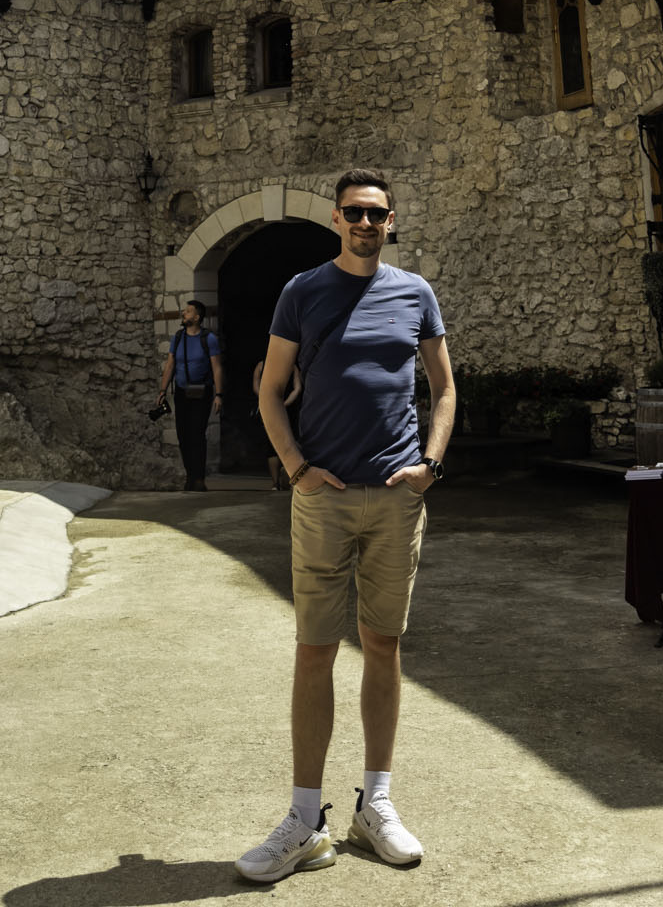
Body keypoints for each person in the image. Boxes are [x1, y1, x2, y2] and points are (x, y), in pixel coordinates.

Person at [235, 168, 456, 884]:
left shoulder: (415, 293)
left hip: (396, 497)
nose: (365, 223)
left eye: (376, 214)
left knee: (383, 646)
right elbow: (270, 391)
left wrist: (430, 464)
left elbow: (444, 388)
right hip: (323, 497)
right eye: (354, 213)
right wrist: (296, 468)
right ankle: (305, 820)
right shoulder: (302, 291)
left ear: (392, 221)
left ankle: (375, 806)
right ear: (336, 219)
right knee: (314, 652)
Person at [155, 300, 223, 491]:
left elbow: (217, 368)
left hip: (202, 392)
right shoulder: (178, 338)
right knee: (183, 435)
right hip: (182, 392)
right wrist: (162, 390)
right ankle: (190, 476)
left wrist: (219, 394)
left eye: (188, 311)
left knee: (197, 434)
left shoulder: (208, 339)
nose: (183, 313)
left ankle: (199, 478)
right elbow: (170, 365)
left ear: (197, 317)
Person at [251, 353, 302, 490]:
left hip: (272, 407)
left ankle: (276, 483)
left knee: (274, 444)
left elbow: (256, 387)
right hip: (285, 408)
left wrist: (272, 401)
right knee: (288, 441)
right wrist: (284, 404)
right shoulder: (291, 366)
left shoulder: (262, 365)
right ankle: (286, 480)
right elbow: (297, 388)